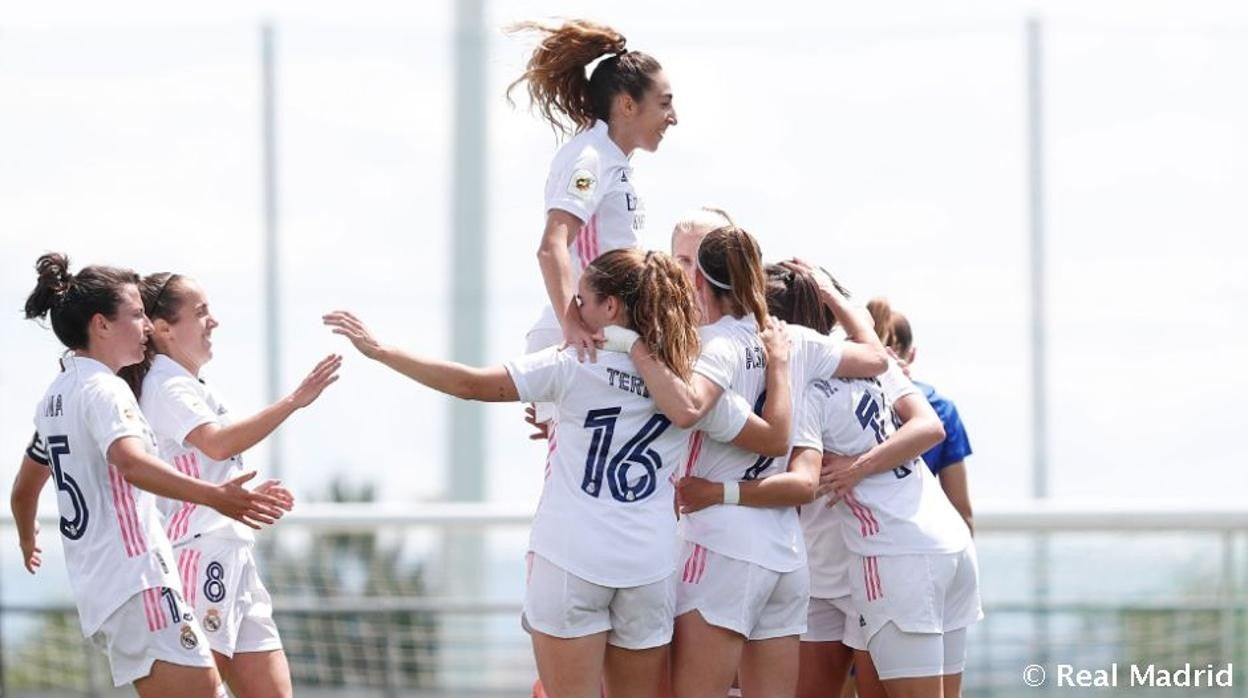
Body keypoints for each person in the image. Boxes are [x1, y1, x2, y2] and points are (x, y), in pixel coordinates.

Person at [325, 248, 791, 698]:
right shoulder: (685, 381)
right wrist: (781, 369)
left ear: (610, 307)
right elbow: (772, 439)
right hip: (648, 570)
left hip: (570, 561)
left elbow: (471, 384)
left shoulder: (572, 363)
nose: (572, 309)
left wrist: (382, 351)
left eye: (581, 300)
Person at [10, 254, 285, 697]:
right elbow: (130, 462)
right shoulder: (105, 389)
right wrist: (214, 495)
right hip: (137, 580)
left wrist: (28, 538)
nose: (146, 326)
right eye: (137, 314)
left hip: (107, 587)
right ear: (101, 325)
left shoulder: (55, 397)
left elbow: (24, 492)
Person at [638, 225, 888, 698]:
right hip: (786, 557)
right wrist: (831, 296)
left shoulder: (708, 346)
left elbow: (687, 406)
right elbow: (877, 358)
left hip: (719, 545)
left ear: (700, 283)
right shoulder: (793, 338)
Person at [115, 273, 340, 698]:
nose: (213, 321)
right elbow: (216, 445)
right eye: (200, 313)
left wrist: (247, 493)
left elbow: (207, 463)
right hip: (202, 553)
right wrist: (294, 401)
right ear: (163, 329)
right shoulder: (166, 385)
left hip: (234, 552)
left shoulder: (188, 384)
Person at [781, 271, 981, 698]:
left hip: (893, 557)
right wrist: (834, 295)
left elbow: (800, 482)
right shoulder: (877, 367)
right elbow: (928, 426)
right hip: (946, 544)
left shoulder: (803, 390)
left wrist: (719, 492)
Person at [508, 19, 678, 426]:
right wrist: (571, 325)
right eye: (666, 102)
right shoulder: (590, 158)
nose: (674, 117)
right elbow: (552, 246)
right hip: (582, 339)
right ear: (627, 105)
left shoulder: (613, 161)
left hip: (604, 334)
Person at [866, 298, 974, 533]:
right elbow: (961, 511)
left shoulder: (848, 399)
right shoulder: (941, 409)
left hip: (859, 535)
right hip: (920, 533)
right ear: (911, 353)